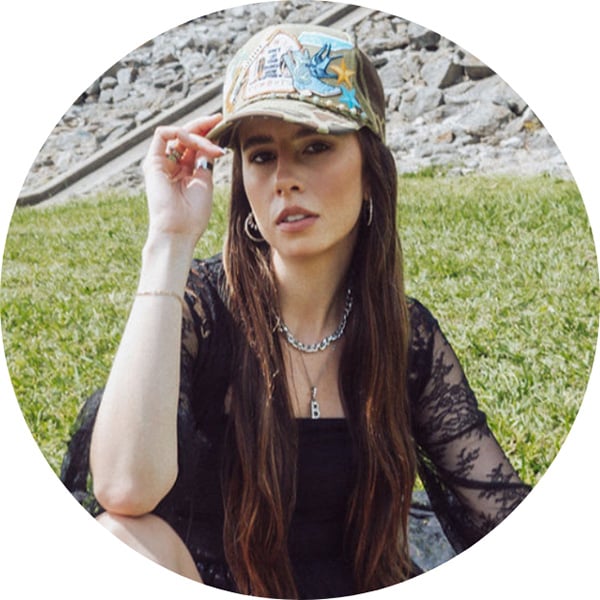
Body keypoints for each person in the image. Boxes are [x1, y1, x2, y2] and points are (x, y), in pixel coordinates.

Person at [61, 23, 531, 599]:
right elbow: (123, 489)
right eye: (262, 155)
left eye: (315, 146)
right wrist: (168, 241)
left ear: (370, 170)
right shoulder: (202, 312)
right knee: (122, 539)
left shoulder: (404, 335)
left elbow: (501, 512)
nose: (284, 178)